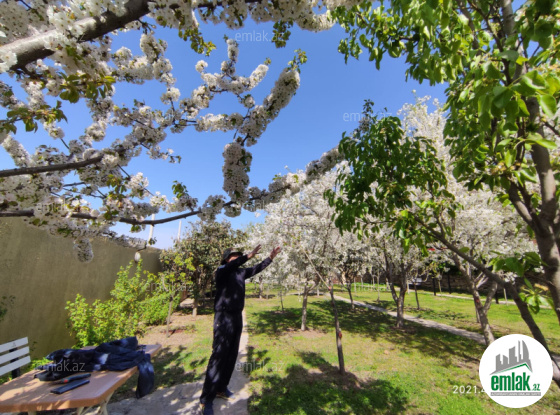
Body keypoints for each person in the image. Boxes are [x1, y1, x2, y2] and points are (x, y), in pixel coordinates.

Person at [199, 244, 281, 415]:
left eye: (238, 256)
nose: (236, 258)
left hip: (237, 317)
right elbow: (233, 265)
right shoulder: (221, 271)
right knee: (219, 356)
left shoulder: (240, 273)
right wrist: (248, 256)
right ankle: (206, 399)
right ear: (226, 259)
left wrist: (270, 258)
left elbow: (256, 269)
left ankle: (221, 388)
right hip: (223, 318)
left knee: (231, 355)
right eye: (233, 256)